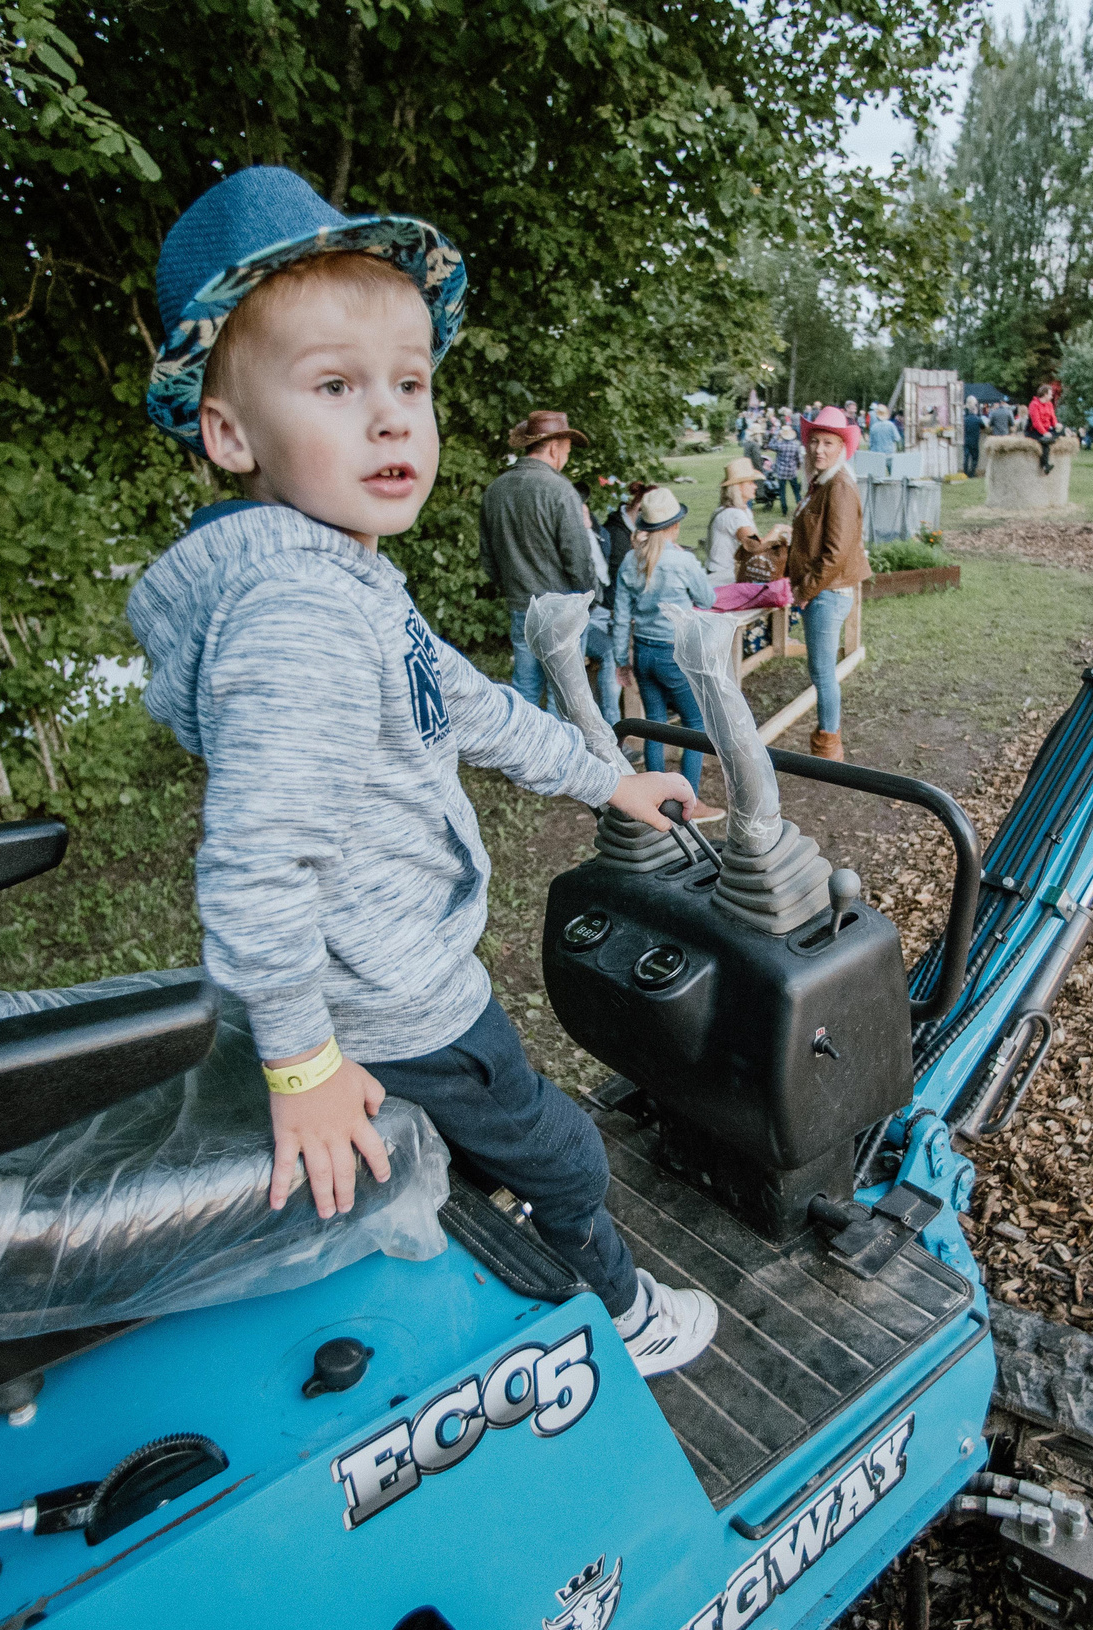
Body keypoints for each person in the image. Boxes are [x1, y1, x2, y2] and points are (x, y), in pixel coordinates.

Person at [128, 166, 715, 1375]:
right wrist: (301, 1062)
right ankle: (628, 1318)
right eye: (336, 386)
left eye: (409, 383)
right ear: (230, 431)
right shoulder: (299, 612)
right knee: (565, 1152)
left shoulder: (341, 580)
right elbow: (256, 862)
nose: (392, 418)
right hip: (390, 1002)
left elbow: (469, 704)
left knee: (497, 1143)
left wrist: (605, 779)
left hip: (368, 987)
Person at [482, 409, 619, 724]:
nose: (566, 458)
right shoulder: (560, 490)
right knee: (564, 694)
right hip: (563, 610)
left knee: (525, 688)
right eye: (567, 451)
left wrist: (515, 588)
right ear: (555, 447)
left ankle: (523, 764)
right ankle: (560, 768)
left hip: (521, 607)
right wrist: (590, 598)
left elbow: (489, 561)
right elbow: (578, 559)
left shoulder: (495, 490)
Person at [610, 486, 717, 798]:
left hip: (642, 652)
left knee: (654, 722)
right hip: (675, 652)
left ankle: (655, 795)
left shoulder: (630, 561)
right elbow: (707, 599)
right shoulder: (683, 562)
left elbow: (620, 616)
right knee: (694, 723)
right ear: (675, 525)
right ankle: (690, 799)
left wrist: (621, 660)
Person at [782, 406, 868, 761]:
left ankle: (829, 746)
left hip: (826, 594)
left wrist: (803, 592)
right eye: (814, 441)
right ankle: (827, 739)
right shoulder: (822, 483)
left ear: (842, 448)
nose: (818, 449)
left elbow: (835, 554)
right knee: (820, 670)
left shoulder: (840, 487)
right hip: (820, 592)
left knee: (822, 672)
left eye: (828, 443)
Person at [765, 419, 804, 514]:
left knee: (782, 492)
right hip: (792, 471)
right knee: (796, 491)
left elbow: (770, 445)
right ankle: (800, 507)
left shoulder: (780, 445)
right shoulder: (795, 446)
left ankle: (784, 510)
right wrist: (798, 466)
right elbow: (799, 459)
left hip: (781, 471)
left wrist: (775, 436)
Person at [1028, 385, 1061, 474]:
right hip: (1034, 430)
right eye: (1050, 394)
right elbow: (1036, 422)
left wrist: (1056, 425)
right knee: (1045, 444)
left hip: (1047, 429)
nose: (1052, 396)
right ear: (1045, 394)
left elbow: (1053, 418)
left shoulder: (1049, 404)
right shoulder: (1034, 405)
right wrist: (1044, 432)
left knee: (1062, 430)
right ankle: (1045, 465)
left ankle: (1050, 439)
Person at [963, 397, 985, 476]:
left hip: (966, 440)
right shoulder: (978, 419)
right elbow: (983, 427)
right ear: (975, 410)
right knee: (975, 458)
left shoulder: (965, 419)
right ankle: (972, 473)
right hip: (975, 441)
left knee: (966, 458)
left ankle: (965, 472)